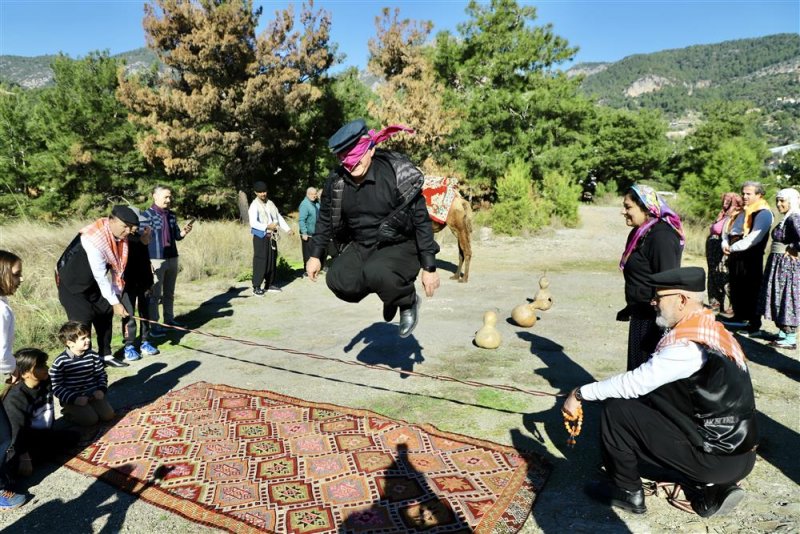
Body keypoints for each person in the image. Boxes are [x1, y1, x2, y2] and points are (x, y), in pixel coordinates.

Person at [563, 267, 757, 518]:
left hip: (716, 458)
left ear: (682, 300)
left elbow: (633, 384)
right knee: (649, 407)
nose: (653, 302)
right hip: (741, 455)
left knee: (617, 410)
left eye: (660, 297)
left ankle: (627, 490)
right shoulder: (714, 332)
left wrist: (579, 394)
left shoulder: (688, 347)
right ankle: (710, 489)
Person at [306, 119, 441, 338]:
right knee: (338, 279)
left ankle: (407, 301)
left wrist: (429, 267)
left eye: (357, 156)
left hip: (399, 243)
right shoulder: (336, 183)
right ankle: (389, 292)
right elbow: (324, 219)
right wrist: (315, 254)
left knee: (378, 272)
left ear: (371, 149)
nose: (352, 165)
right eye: (345, 159)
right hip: (361, 245)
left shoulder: (397, 175)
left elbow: (420, 220)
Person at [55, 205, 139, 368]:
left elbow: (116, 270)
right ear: (112, 220)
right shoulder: (93, 238)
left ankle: (105, 355)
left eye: (130, 228)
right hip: (71, 284)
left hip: (91, 282)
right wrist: (116, 303)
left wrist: (115, 300)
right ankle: (84, 363)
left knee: (105, 310)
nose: (128, 231)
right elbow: (101, 275)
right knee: (82, 321)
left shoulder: (118, 237)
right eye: (125, 227)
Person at [618, 185, 684, 370]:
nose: (623, 211)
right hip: (641, 313)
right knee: (637, 371)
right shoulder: (641, 233)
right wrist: (630, 305)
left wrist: (662, 321)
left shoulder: (661, 236)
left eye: (628, 206)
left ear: (646, 208)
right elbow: (642, 275)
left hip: (655, 320)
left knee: (648, 373)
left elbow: (668, 281)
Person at [2, 348, 80, 478]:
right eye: (40, 366)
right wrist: (25, 457)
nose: (46, 367)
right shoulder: (16, 398)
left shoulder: (45, 381)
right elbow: (16, 432)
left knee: (73, 437)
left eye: (44, 363)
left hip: (44, 437)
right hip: (23, 445)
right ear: (25, 373)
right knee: (12, 470)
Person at [721, 181, 773, 333]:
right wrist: (724, 243)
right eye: (743, 193)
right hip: (735, 252)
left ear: (759, 195)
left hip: (750, 255)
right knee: (737, 285)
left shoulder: (763, 212)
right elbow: (729, 229)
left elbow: (754, 238)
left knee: (751, 287)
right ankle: (740, 316)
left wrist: (732, 247)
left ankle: (753, 323)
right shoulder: (742, 211)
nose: (744, 196)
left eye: (748, 194)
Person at [141, 186, 193, 334]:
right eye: (166, 197)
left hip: (172, 257)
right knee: (155, 295)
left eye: (170, 197)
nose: (169, 200)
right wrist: (147, 261)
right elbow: (142, 240)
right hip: (155, 259)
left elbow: (177, 236)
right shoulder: (146, 216)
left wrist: (184, 232)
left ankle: (169, 320)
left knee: (169, 293)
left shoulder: (171, 215)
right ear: (155, 197)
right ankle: (154, 326)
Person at [756, 188, 800, 349]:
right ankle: (783, 332)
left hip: (787, 266)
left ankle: (790, 337)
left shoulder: (794, 218)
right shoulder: (786, 218)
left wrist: (793, 247)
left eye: (783, 201)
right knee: (778, 295)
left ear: (792, 202)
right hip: (778, 263)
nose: (779, 204)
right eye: (778, 200)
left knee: (786, 296)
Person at [49, 321, 115, 427]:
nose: (88, 340)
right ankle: (68, 412)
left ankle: (90, 408)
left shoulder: (92, 355)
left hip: (93, 394)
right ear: (70, 343)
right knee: (91, 420)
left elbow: (101, 374)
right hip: (74, 398)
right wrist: (74, 399)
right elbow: (55, 386)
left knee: (108, 416)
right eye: (83, 338)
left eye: (88, 336)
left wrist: (101, 389)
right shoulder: (61, 362)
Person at [0, 251, 26, 509]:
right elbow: (1, 354)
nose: (20, 279)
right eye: (16, 274)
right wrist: (13, 368)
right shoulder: (1, 311)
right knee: (3, 437)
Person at [120, 208, 158, 362]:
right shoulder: (123, 239)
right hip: (127, 284)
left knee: (145, 313)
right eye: (137, 225)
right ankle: (129, 345)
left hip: (144, 281)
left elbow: (145, 261)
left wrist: (150, 281)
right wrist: (143, 239)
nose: (140, 228)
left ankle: (145, 341)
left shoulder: (142, 239)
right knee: (129, 315)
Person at [248, 181, 293, 295]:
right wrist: (267, 226)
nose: (263, 194)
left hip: (272, 236)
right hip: (261, 236)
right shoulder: (254, 206)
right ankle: (256, 286)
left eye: (264, 191)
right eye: (260, 192)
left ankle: (270, 284)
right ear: (255, 193)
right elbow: (253, 223)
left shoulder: (270, 203)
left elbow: (277, 217)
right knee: (261, 260)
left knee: (272, 260)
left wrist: (287, 229)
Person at [707, 192, 743, 315]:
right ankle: (715, 303)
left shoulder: (737, 215)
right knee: (713, 275)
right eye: (724, 199)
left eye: (729, 200)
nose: (725, 202)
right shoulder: (722, 214)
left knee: (724, 275)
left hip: (724, 248)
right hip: (713, 247)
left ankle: (735, 305)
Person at [298, 186, 320, 272]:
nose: (315, 196)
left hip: (316, 232)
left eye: (315, 194)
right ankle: (306, 270)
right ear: (308, 194)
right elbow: (301, 220)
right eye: (313, 194)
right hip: (307, 233)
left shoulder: (316, 203)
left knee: (314, 252)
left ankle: (314, 268)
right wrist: (304, 232)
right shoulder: (304, 204)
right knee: (307, 253)